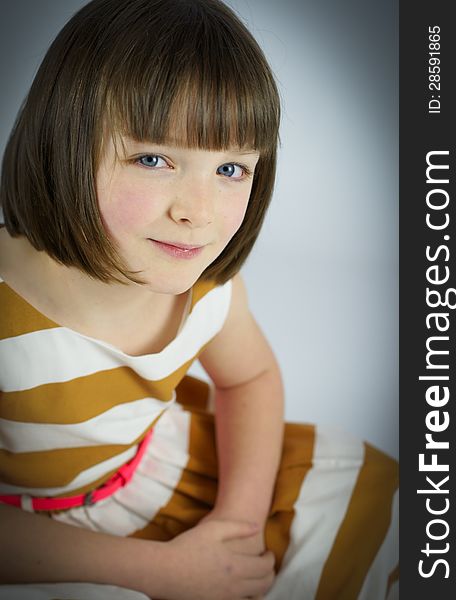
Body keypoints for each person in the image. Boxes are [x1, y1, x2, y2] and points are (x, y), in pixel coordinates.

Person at [0, 0, 399, 598]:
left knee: (375, 492)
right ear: (63, 143)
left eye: (232, 170)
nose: (198, 213)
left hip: (152, 464)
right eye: (154, 159)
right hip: (43, 537)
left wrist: (235, 525)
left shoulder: (204, 286)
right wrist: (164, 571)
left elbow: (251, 378)